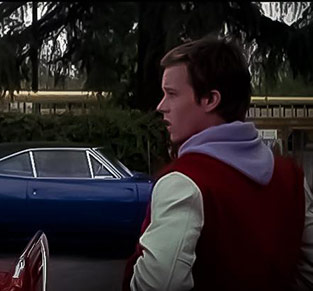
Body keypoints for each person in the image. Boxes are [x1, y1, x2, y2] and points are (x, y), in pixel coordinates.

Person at [122, 37, 313, 291]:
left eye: (172, 94)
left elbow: (158, 286)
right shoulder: (292, 177)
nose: (161, 106)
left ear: (210, 99)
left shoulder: (183, 182)